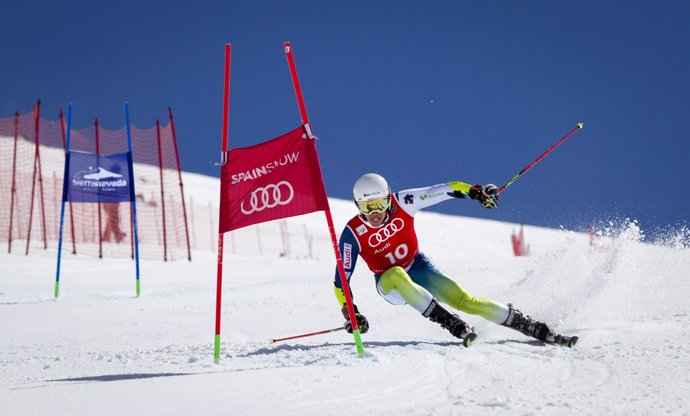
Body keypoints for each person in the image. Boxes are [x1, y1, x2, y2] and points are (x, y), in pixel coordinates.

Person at [333, 173, 577, 347]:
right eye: (367, 207)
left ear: (388, 198)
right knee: (396, 274)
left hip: (418, 266)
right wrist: (351, 314)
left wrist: (475, 192)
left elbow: (441, 190)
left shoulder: (403, 202)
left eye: (379, 204)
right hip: (389, 284)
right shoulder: (352, 233)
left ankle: (529, 325)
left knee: (464, 300)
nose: (374, 213)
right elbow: (340, 280)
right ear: (358, 205)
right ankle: (451, 323)